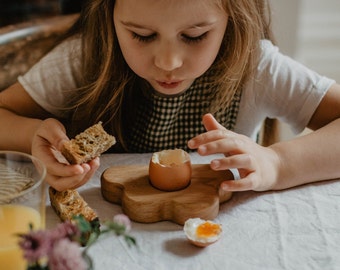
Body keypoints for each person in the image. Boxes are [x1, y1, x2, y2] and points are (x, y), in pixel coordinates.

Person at [0, 0, 339, 193]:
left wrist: (279, 163)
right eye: (142, 35)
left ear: (232, 17)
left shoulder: (256, 67)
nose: (168, 63)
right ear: (110, 15)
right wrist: (33, 137)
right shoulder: (85, 59)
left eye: (195, 36)